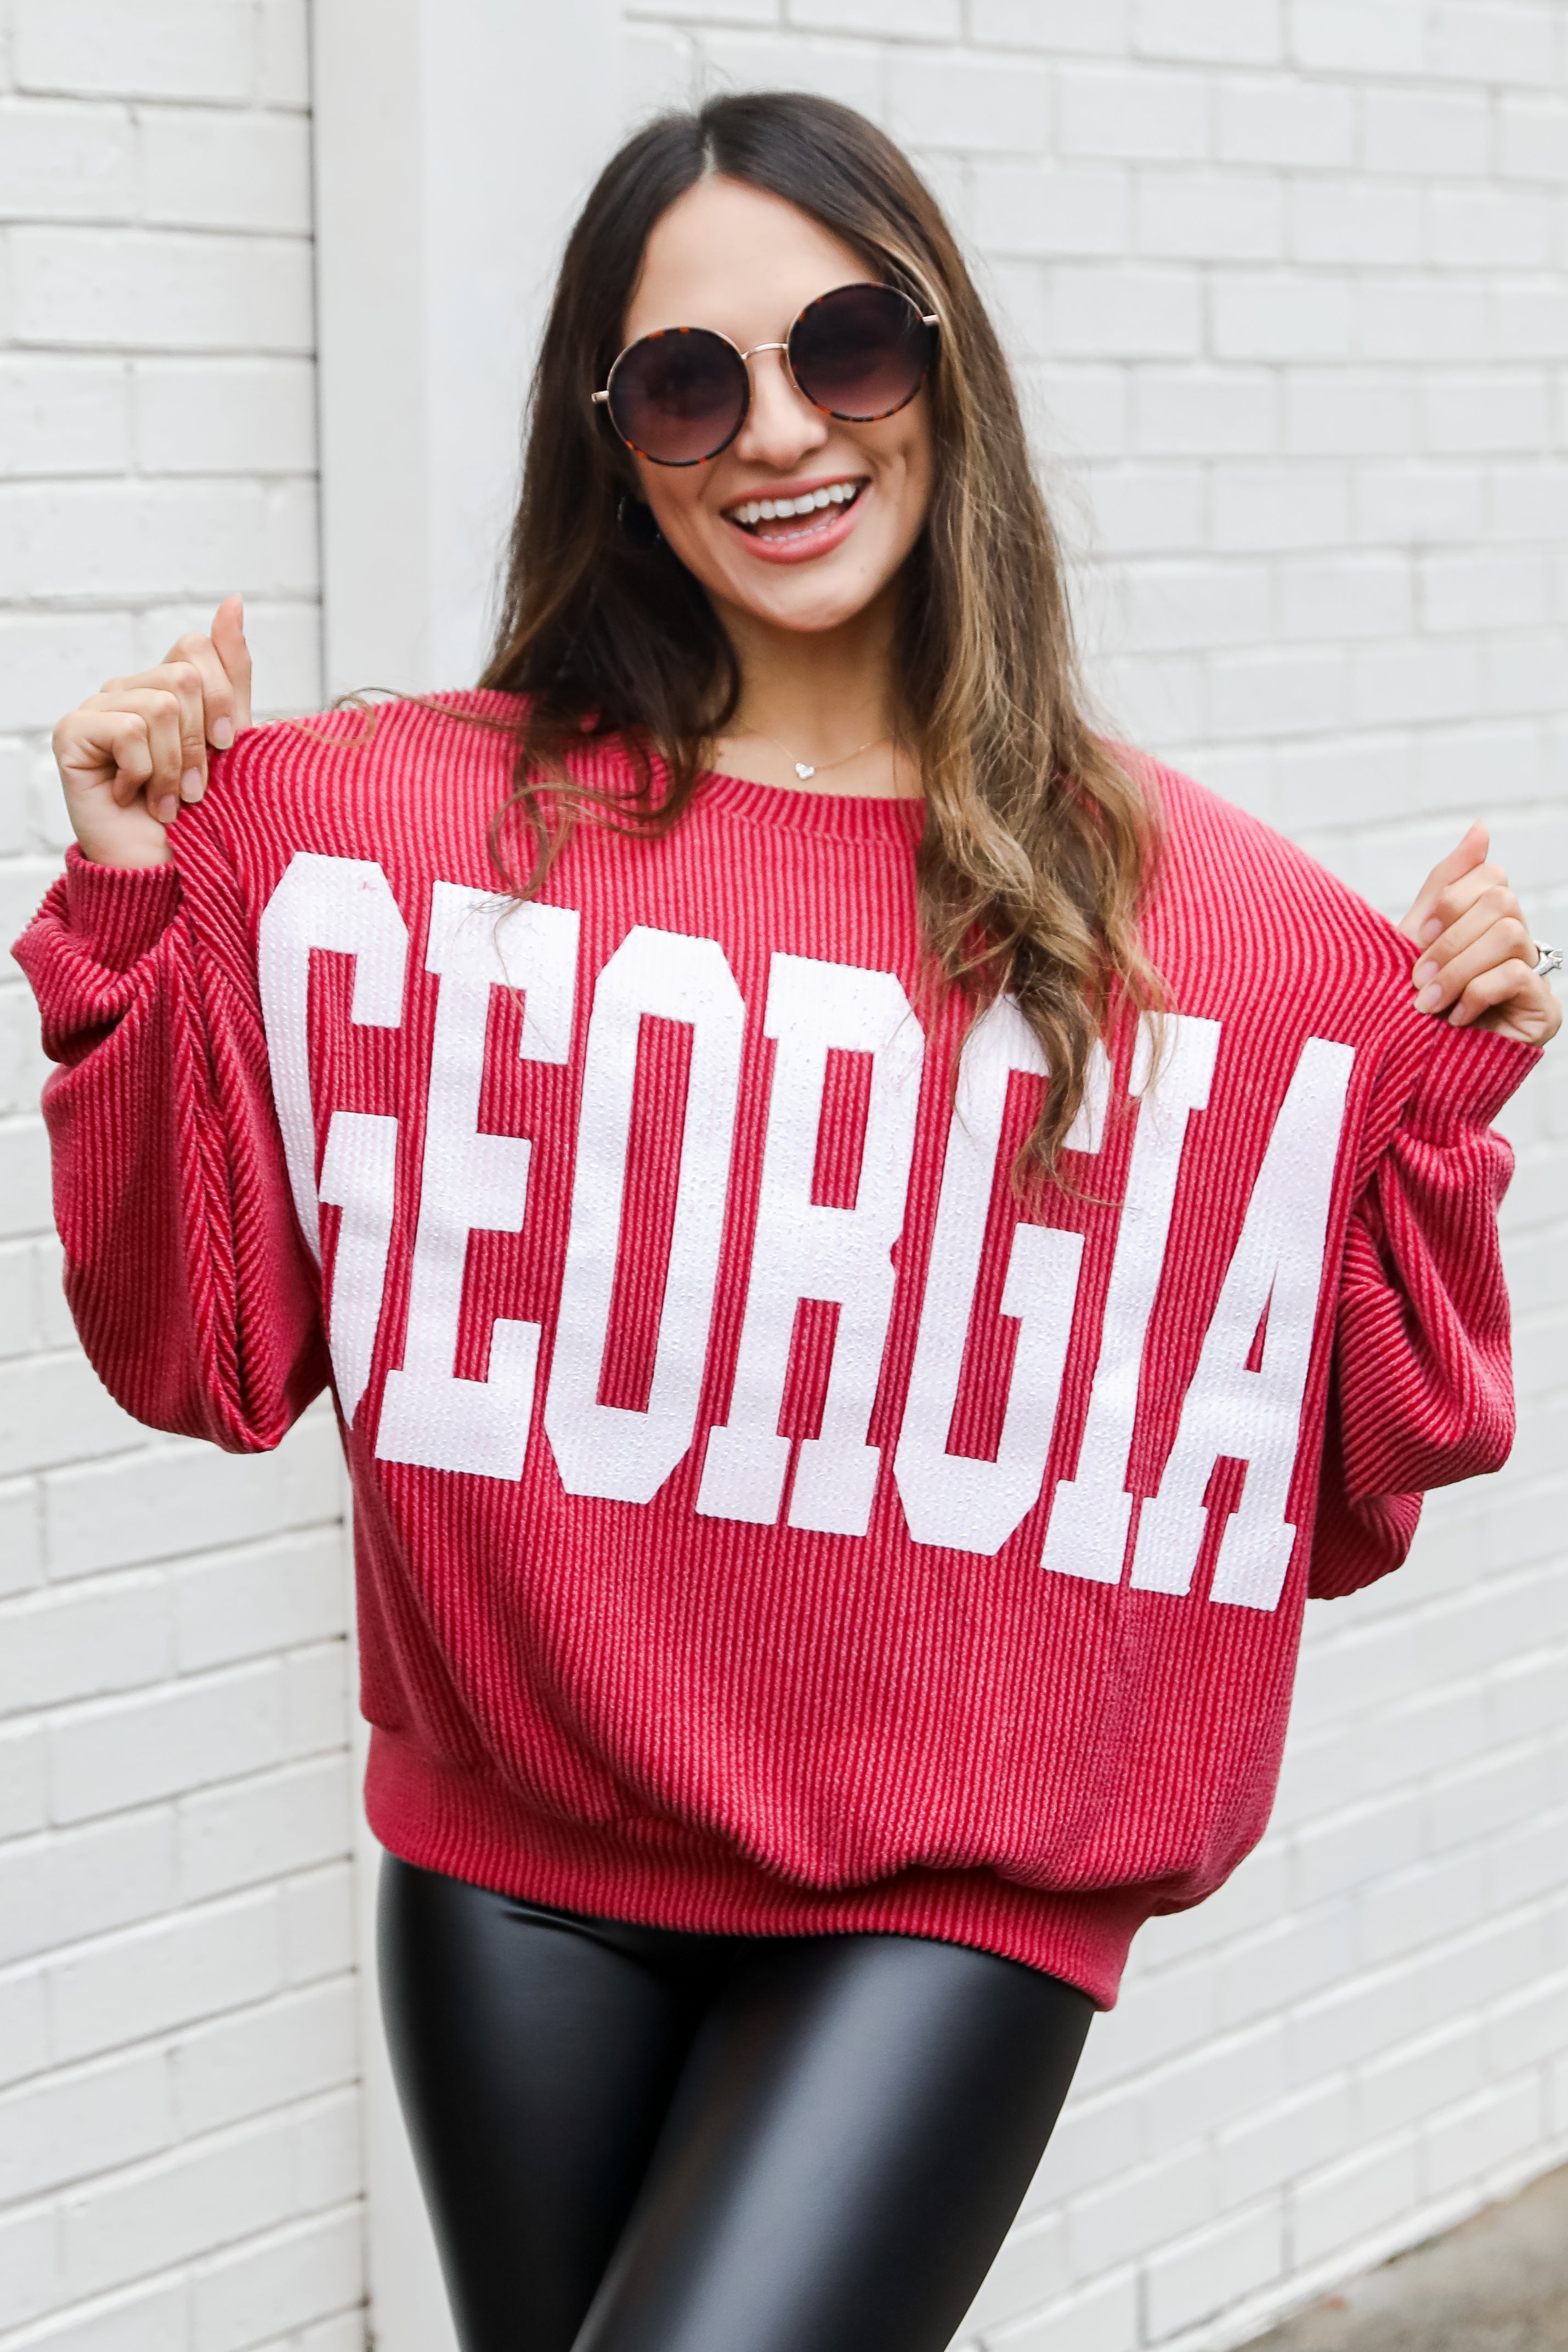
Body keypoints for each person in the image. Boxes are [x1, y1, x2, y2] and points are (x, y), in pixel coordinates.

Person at [17, 91, 1561, 2352]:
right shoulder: (417, 847)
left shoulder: (1200, 928)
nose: (775, 431)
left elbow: (1362, 1470)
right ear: (611, 440)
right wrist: (138, 900)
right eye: (685, 381)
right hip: (511, 1879)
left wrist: (1430, 1107)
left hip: (950, 1896)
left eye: (845, 346)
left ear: (944, 367)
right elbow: (202, 1354)